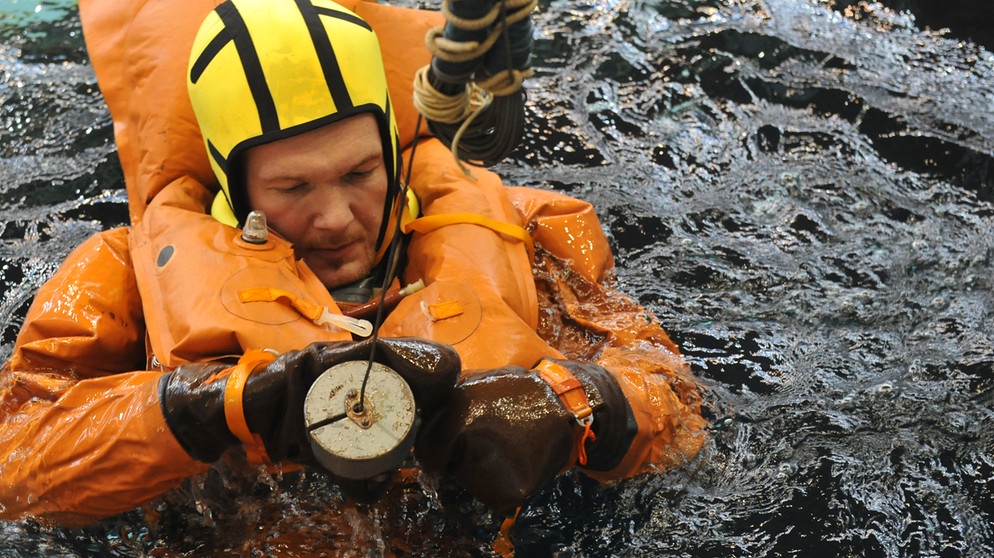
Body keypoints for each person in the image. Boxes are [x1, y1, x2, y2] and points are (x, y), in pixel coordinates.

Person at [0, 0, 707, 537]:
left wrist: (576, 409)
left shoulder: (522, 231)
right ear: (234, 184)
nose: (336, 216)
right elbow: (18, 469)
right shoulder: (120, 271)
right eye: (293, 189)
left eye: (360, 172)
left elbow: (673, 404)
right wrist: (205, 410)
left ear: (395, 153)